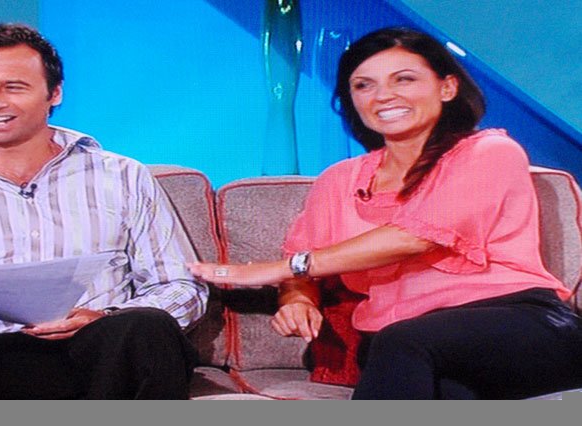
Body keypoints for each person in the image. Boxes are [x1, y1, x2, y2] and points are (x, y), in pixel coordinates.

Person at [189, 27, 582, 399]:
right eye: (363, 85)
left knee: (405, 341)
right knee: (443, 389)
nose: (383, 96)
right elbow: (304, 272)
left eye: (404, 79)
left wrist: (278, 268)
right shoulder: (339, 180)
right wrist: (297, 300)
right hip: (398, 341)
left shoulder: (489, 153)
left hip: (517, 322)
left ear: (447, 87)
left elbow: (415, 236)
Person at [0, 23, 207, 399]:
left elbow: (179, 286)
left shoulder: (122, 176)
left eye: (13, 87)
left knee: (146, 328)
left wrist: (106, 317)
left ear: (54, 93)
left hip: (98, 346)